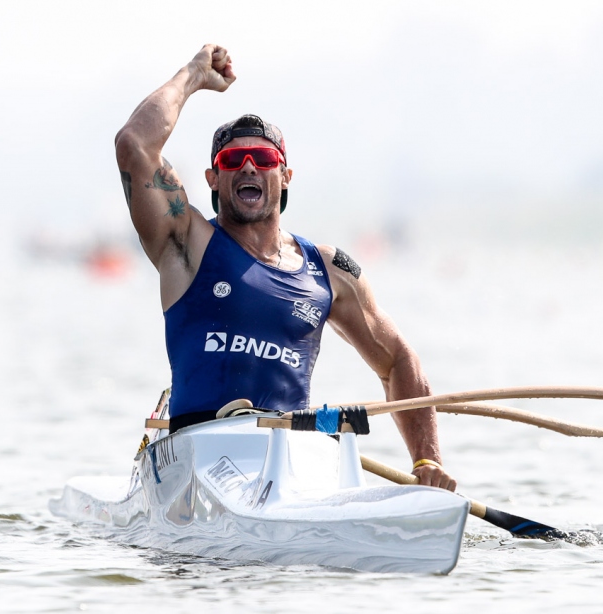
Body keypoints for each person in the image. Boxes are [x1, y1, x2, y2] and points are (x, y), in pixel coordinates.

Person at [114, 44, 456, 491]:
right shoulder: (187, 243)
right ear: (213, 179)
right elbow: (135, 145)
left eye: (263, 159)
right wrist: (193, 75)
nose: (249, 167)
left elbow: (398, 361)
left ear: (285, 176)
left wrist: (427, 461)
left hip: (291, 460)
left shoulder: (330, 270)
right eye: (232, 161)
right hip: (198, 455)